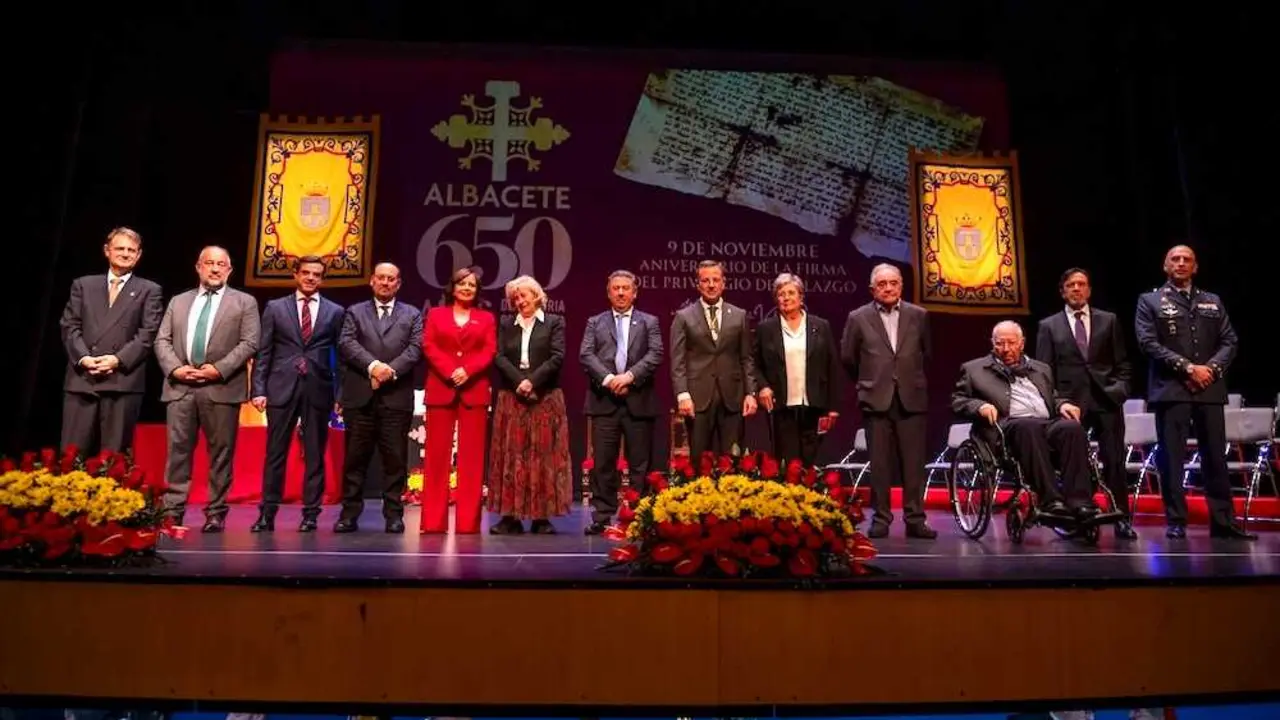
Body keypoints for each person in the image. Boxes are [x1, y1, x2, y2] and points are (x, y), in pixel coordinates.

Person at [1135, 244, 1253, 540]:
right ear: (1166, 266)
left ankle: (1223, 521)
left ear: (1195, 267)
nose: (1181, 263)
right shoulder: (1150, 301)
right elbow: (1148, 343)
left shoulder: (1212, 301)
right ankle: (1176, 520)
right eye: (1175, 259)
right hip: (1171, 389)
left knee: (1215, 456)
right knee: (1171, 457)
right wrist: (1188, 368)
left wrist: (1210, 369)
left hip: (1209, 388)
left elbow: (1229, 341)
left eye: (1187, 259)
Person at [153, 246, 260, 532]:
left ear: (229, 270)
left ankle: (215, 512)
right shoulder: (178, 301)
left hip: (221, 387)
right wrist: (176, 369)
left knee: (221, 453)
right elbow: (161, 340)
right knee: (178, 452)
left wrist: (219, 368)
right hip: (180, 386)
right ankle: (173, 511)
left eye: (221, 264)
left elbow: (250, 342)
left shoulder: (244, 302)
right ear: (198, 267)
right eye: (209, 263)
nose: (215, 269)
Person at [952, 320, 1099, 519]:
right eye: (999, 343)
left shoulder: (1041, 369)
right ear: (992, 343)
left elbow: (1051, 397)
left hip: (1046, 425)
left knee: (1071, 428)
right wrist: (980, 406)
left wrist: (1062, 404)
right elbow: (958, 401)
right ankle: (1050, 500)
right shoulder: (974, 369)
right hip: (1007, 429)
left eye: (1011, 343)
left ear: (1022, 343)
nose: (1005, 349)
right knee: (1028, 426)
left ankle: (1081, 501)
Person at [1035, 268, 1138, 539]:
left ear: (1089, 290)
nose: (1077, 289)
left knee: (1114, 460)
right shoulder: (1049, 325)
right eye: (1071, 285)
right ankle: (1080, 515)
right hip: (1071, 404)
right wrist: (1058, 402)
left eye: (1081, 284)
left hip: (1106, 400)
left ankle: (1121, 518)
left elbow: (1122, 363)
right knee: (1074, 462)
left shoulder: (1109, 320)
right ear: (1063, 291)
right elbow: (1044, 371)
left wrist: (1120, 390)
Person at [249, 255, 345, 533]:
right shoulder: (275, 308)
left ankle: (311, 514)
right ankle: (267, 513)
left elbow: (341, 358)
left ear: (322, 278)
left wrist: (341, 394)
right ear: (295, 274)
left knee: (315, 454)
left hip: (318, 388)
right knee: (275, 453)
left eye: (317, 274)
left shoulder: (335, 311)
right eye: (306, 273)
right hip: (281, 387)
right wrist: (258, 389)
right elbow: (263, 352)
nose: (311, 278)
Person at [840, 263, 936, 539]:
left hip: (911, 397)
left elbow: (926, 354)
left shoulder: (919, 316)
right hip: (876, 399)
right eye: (882, 284)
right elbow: (848, 358)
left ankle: (915, 518)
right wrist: (870, 381)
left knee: (913, 463)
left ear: (901, 286)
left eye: (893, 282)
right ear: (872, 289)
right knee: (880, 464)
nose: (888, 288)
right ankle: (881, 518)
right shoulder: (858, 317)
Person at [58, 226, 164, 457]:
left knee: (114, 458)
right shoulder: (83, 285)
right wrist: (84, 358)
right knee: (71, 455)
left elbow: (148, 333)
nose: (125, 253)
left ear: (139, 255)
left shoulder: (149, 290)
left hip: (122, 380)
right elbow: (70, 325)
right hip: (82, 378)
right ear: (107, 251)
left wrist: (117, 360)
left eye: (131, 250)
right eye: (120, 248)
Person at [334, 262, 423, 534]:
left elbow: (416, 348)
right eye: (381, 278)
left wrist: (389, 371)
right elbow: (347, 343)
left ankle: (394, 515)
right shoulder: (354, 312)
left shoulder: (412, 314)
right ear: (372, 281)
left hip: (395, 397)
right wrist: (373, 366)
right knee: (355, 460)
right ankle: (349, 514)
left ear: (398, 284)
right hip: (360, 396)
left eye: (391, 279)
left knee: (395, 460)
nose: (385, 283)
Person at [579, 270, 664, 535]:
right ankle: (603, 515)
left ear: (635, 292)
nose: (620, 292)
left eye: (626, 288)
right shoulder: (596, 322)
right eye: (615, 288)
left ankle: (637, 514)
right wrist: (608, 379)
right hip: (604, 400)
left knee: (639, 463)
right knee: (603, 463)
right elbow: (586, 354)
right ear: (608, 292)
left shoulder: (649, 322)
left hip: (638, 400)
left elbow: (655, 353)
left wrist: (629, 377)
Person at [487, 275, 573, 534]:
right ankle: (510, 517)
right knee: (511, 456)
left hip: (545, 396)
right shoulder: (506, 323)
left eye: (523, 295)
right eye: (515, 297)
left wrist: (533, 382)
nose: (519, 300)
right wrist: (520, 383)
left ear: (537, 296)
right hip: (512, 396)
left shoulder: (554, 322)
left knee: (543, 455)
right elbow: (499, 356)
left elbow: (557, 356)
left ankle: (541, 517)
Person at [421, 266, 495, 534]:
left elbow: (489, 349)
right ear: (452, 287)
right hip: (442, 388)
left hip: (473, 391)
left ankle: (467, 523)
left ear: (477, 291)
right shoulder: (436, 314)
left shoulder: (485, 318)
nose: (466, 288)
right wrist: (450, 370)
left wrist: (468, 370)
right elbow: (429, 345)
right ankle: (433, 522)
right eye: (462, 283)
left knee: (472, 461)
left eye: (472, 285)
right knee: (436, 459)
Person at [670, 260, 758, 460]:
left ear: (723, 283)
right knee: (701, 461)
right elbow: (678, 360)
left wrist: (751, 393)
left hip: (732, 398)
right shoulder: (683, 317)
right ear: (698, 285)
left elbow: (746, 358)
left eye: (715, 280)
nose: (711, 285)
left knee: (733, 459)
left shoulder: (739, 315)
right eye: (705, 280)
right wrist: (682, 394)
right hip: (698, 399)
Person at [753, 273, 840, 468]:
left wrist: (833, 407)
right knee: (787, 461)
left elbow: (831, 366)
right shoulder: (766, 329)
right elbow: (754, 364)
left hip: (815, 405)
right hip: (782, 406)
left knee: (811, 461)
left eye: (791, 292)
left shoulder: (820, 326)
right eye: (781, 294)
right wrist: (763, 387)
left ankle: (811, 497)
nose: (786, 297)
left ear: (801, 297)